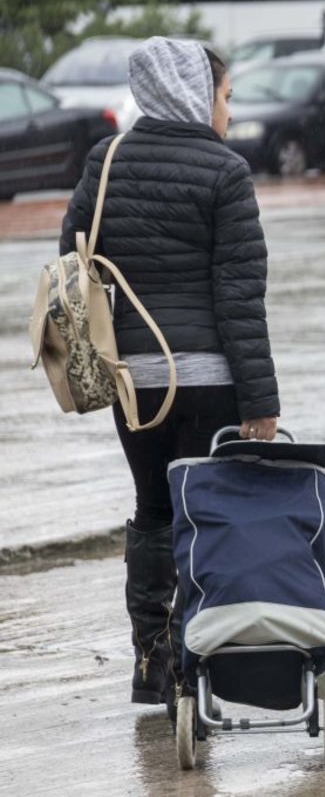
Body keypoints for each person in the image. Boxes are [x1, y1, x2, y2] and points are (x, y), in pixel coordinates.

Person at [59, 37, 280, 711]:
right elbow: (239, 296)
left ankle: (150, 662)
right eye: (226, 97)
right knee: (202, 516)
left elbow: (73, 255)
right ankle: (193, 659)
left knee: (153, 509)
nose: (229, 114)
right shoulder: (225, 171)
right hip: (210, 377)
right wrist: (261, 401)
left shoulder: (107, 158)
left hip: (136, 380)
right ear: (194, 92)